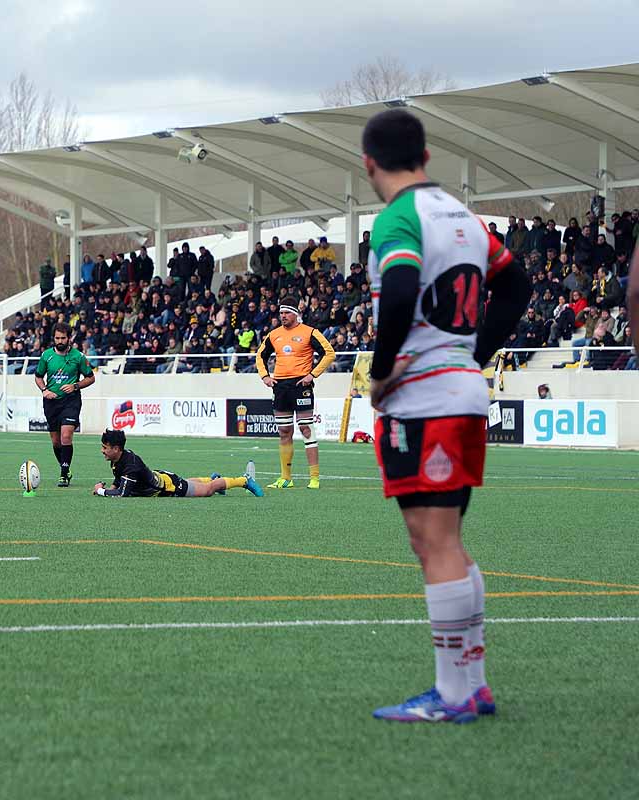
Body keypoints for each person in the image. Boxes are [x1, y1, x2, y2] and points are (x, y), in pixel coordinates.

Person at [362, 109, 528, 722]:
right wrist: (473, 355)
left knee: (435, 543)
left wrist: (382, 373)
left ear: (368, 163)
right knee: (444, 540)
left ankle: (455, 695)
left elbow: (402, 289)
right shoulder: (463, 216)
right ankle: (470, 685)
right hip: (459, 391)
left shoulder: (398, 218)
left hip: (425, 400)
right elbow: (518, 286)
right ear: (426, 156)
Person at [255, 302, 335, 490]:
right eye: (280, 312)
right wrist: (265, 376)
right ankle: (286, 478)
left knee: (306, 429)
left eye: (286, 313)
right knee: (284, 432)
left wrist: (312, 375)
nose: (282, 316)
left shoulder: (310, 332)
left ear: (296, 314)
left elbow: (329, 353)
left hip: (301, 385)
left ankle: (314, 478)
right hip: (280, 386)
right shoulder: (273, 335)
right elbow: (260, 356)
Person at [92, 429, 262, 498]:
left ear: (116, 448)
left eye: (105, 447)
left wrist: (100, 490)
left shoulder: (130, 465)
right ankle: (214, 480)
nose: (102, 450)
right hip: (164, 479)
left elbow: (122, 494)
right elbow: (117, 483)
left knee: (208, 491)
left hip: (169, 487)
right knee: (194, 483)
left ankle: (243, 480)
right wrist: (108, 488)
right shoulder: (118, 459)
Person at [35, 322, 96, 487]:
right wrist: (44, 390)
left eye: (63, 338)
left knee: (66, 436)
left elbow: (91, 378)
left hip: (71, 401)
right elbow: (38, 377)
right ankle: (66, 469)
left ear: (69, 338)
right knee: (56, 442)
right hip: (51, 403)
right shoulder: (46, 356)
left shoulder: (78, 357)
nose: (60, 341)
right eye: (57, 338)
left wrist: (75, 386)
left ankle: (63, 474)